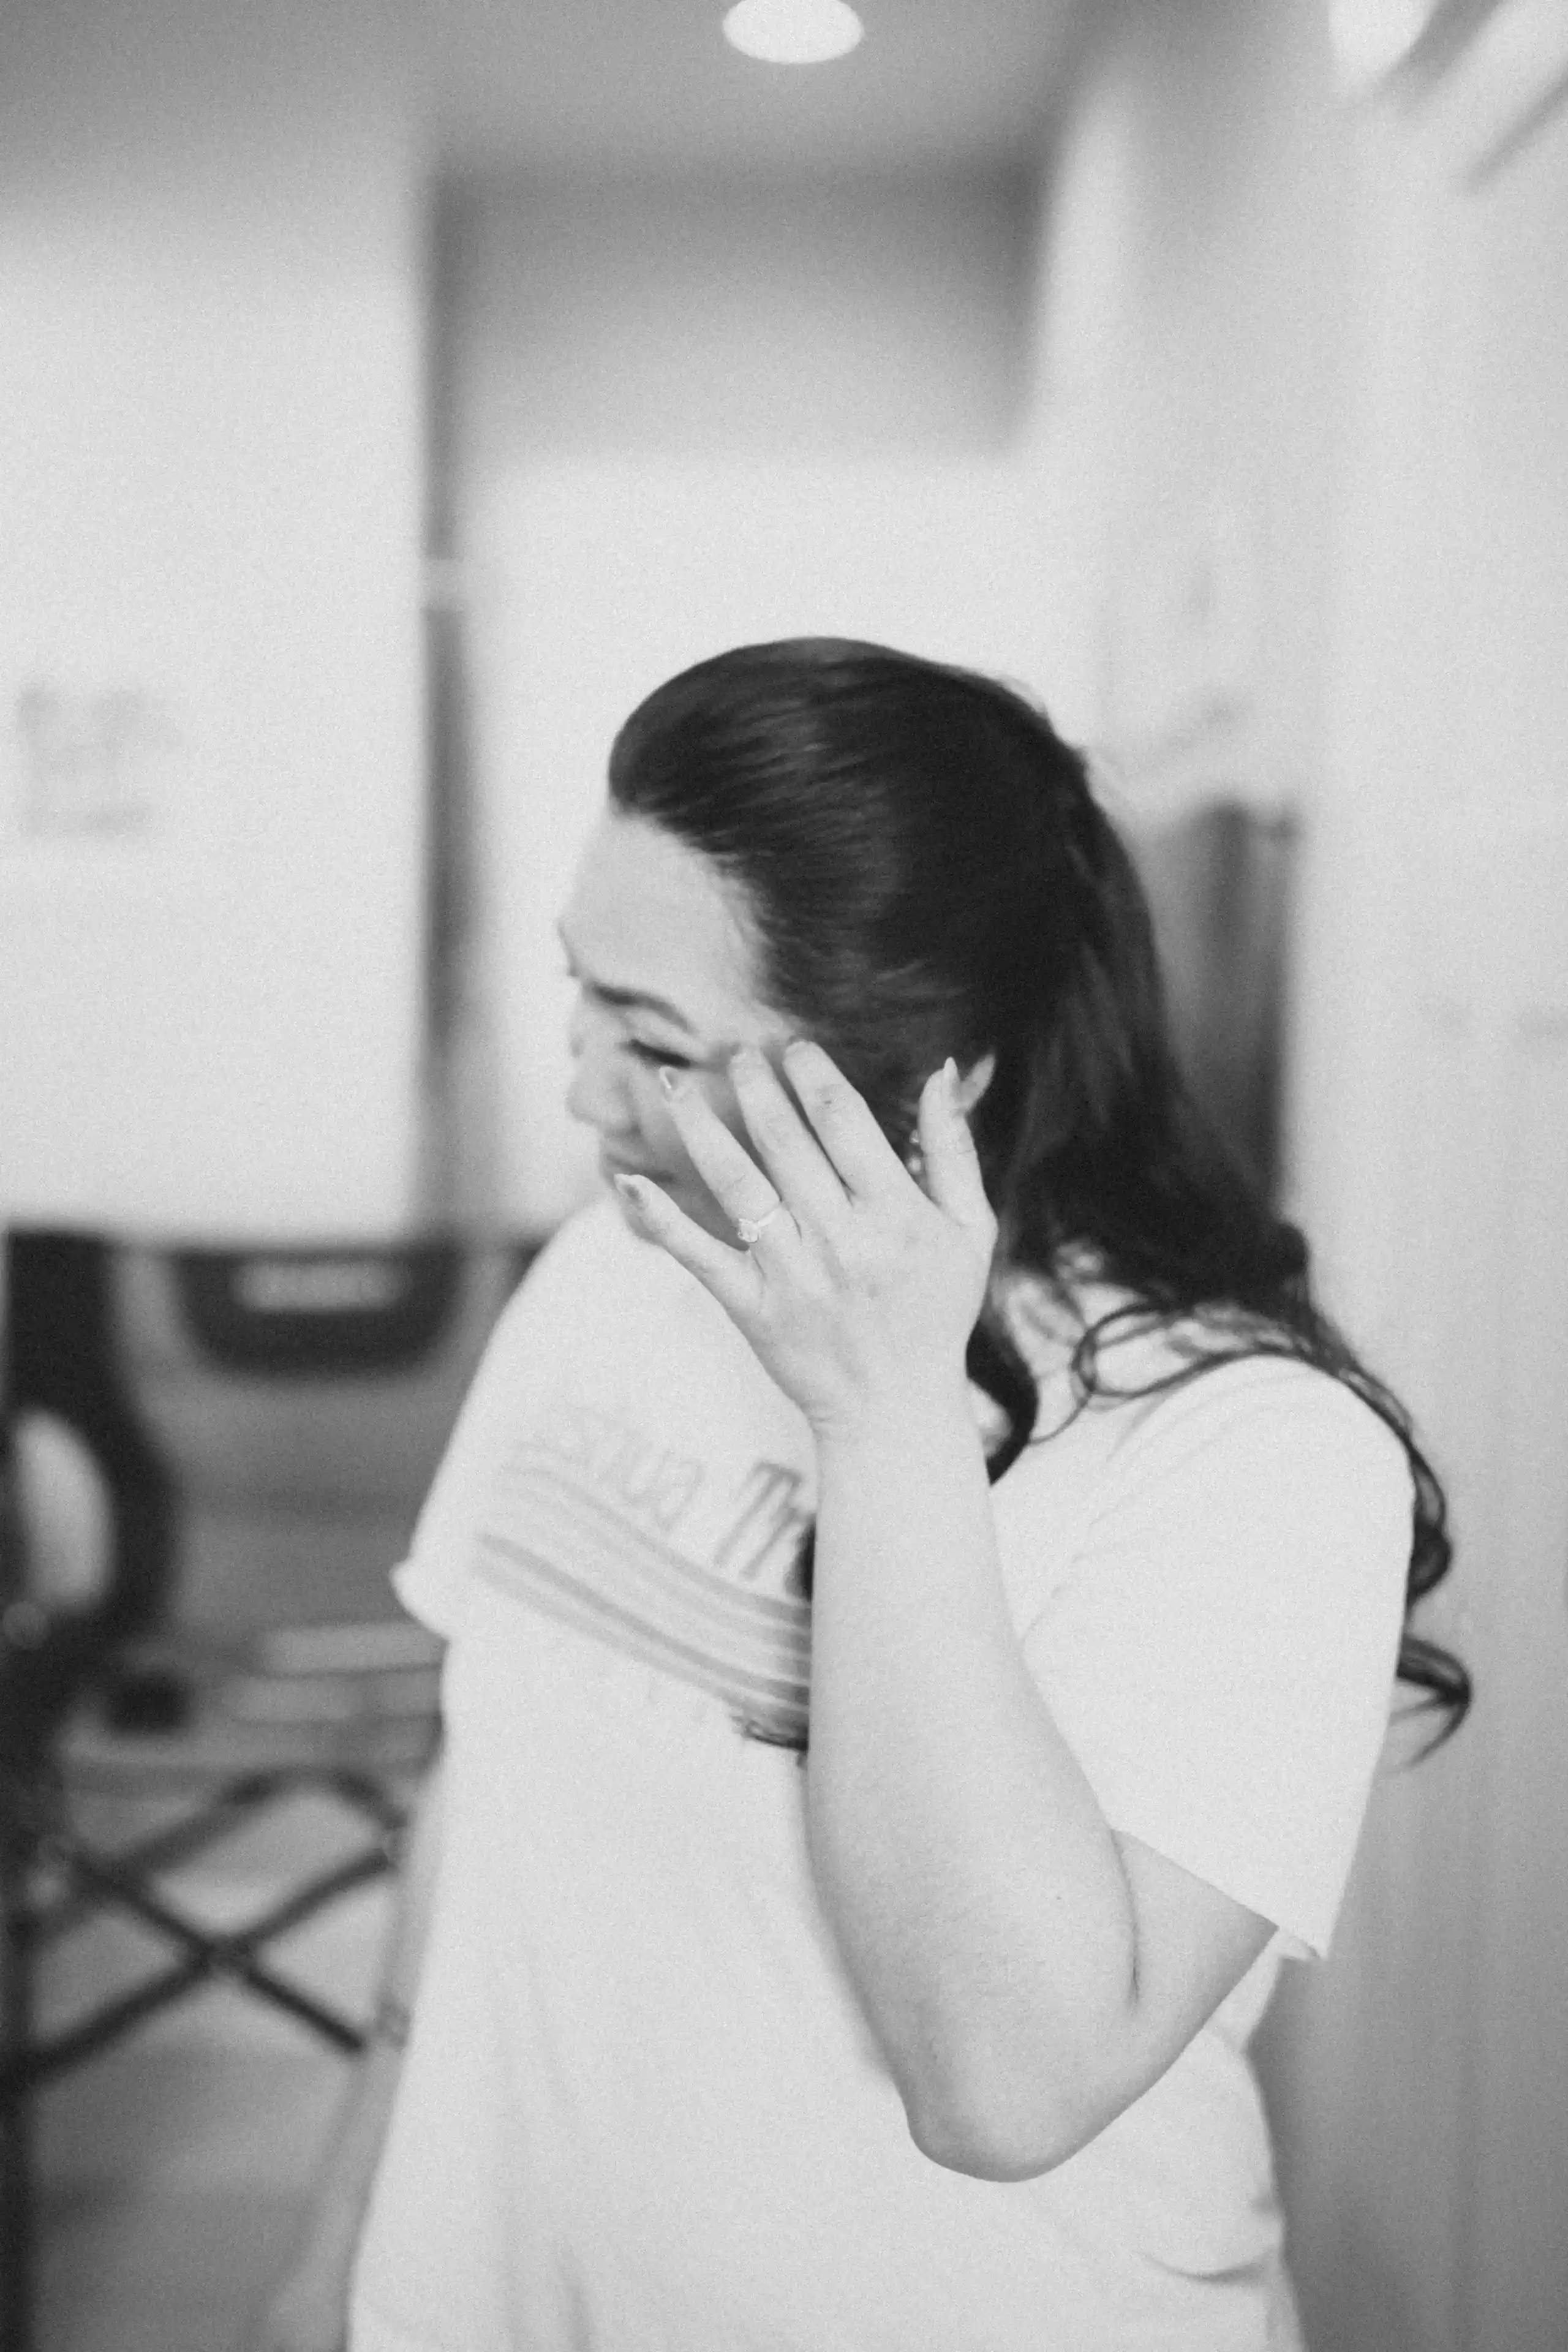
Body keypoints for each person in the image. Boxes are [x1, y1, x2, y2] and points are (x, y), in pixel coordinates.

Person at [250, 638, 1468, 2352]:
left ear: (935, 1077)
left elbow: (1010, 2086)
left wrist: (885, 1423)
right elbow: (487, 1807)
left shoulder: (1250, 1453)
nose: (584, 1088)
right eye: (581, 995)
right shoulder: (617, 1269)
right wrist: (349, 2253)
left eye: (659, 1045)